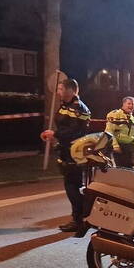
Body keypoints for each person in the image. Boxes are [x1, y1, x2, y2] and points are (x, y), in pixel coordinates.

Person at [41, 77, 91, 232]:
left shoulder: (79, 108)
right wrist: (54, 137)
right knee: (72, 185)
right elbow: (64, 127)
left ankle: (79, 219)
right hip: (66, 150)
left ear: (71, 90)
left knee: (72, 186)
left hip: (74, 152)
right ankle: (82, 215)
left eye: (61, 89)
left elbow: (75, 131)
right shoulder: (65, 105)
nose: (58, 92)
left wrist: (54, 133)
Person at [105, 96, 134, 168]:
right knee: (120, 170)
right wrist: (115, 146)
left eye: (133, 104)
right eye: (129, 103)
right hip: (120, 147)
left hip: (129, 148)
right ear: (123, 104)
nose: (131, 106)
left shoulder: (133, 118)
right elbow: (109, 131)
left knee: (130, 170)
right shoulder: (115, 114)